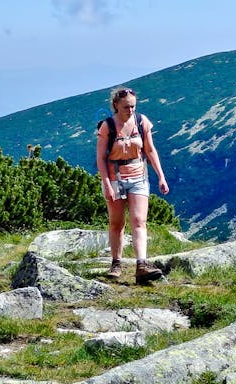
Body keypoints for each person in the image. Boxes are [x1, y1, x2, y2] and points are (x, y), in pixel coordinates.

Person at [96, 87, 170, 284]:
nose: (130, 110)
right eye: (126, 107)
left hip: (138, 175)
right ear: (116, 106)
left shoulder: (141, 121)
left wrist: (161, 176)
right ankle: (116, 263)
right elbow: (101, 158)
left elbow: (150, 150)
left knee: (139, 220)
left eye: (133, 106)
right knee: (116, 222)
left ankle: (141, 265)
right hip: (115, 177)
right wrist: (107, 184)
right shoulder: (107, 126)